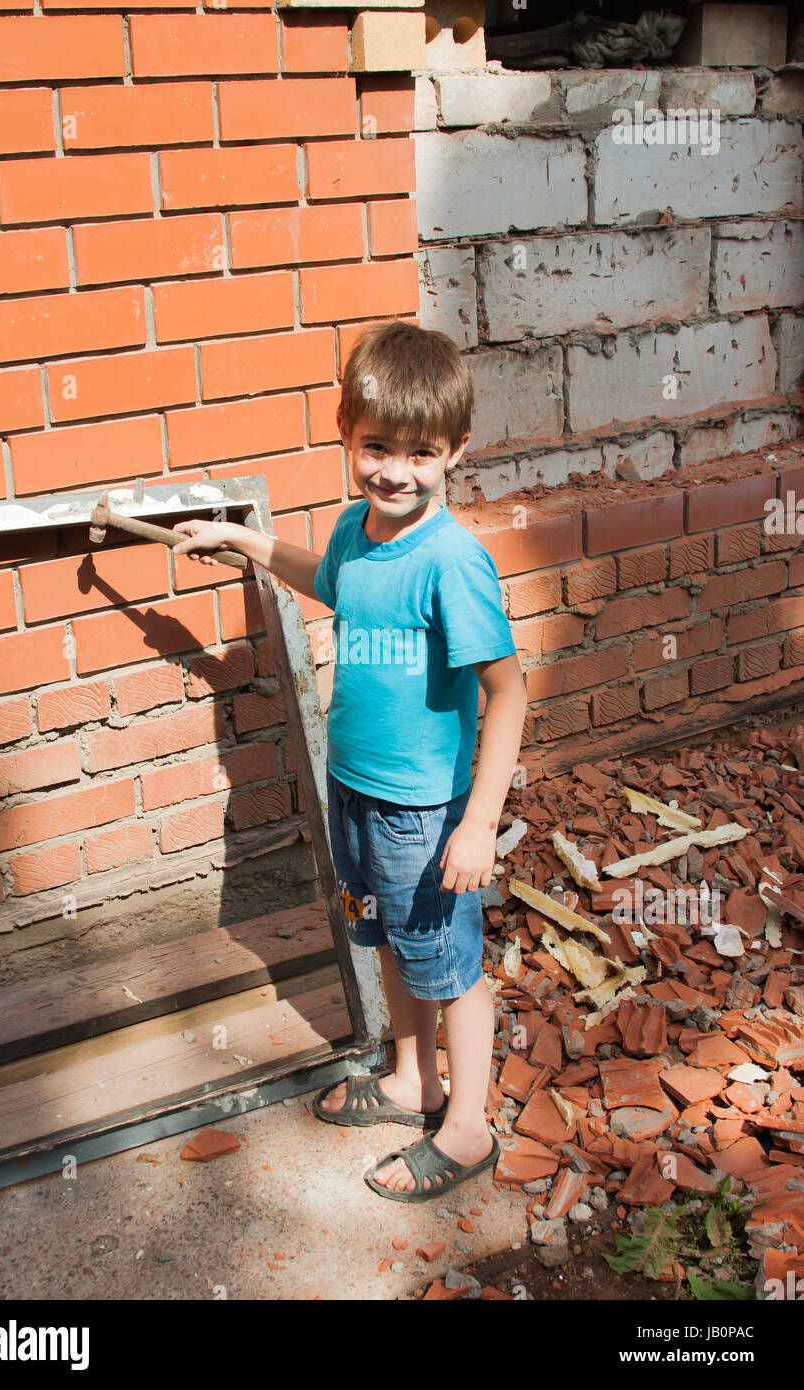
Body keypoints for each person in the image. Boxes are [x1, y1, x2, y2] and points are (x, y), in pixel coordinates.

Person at [172, 318, 528, 1203]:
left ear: (456, 452)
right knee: (393, 947)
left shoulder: (452, 562)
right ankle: (413, 1081)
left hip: (426, 812)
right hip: (357, 793)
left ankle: (469, 1126)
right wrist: (248, 543)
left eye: (421, 453)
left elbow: (510, 691)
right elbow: (327, 580)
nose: (395, 472)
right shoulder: (354, 532)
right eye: (376, 447)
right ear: (344, 434)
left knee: (451, 968)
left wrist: (479, 823)